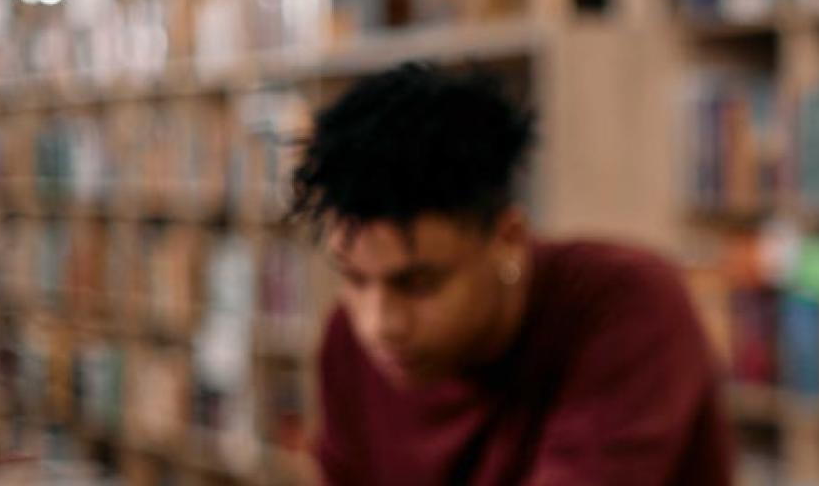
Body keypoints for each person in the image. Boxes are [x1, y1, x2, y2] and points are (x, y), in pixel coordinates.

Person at [291, 64, 731, 485]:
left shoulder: (630, 305)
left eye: (419, 284)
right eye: (355, 279)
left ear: (508, 239)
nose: (380, 324)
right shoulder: (348, 342)